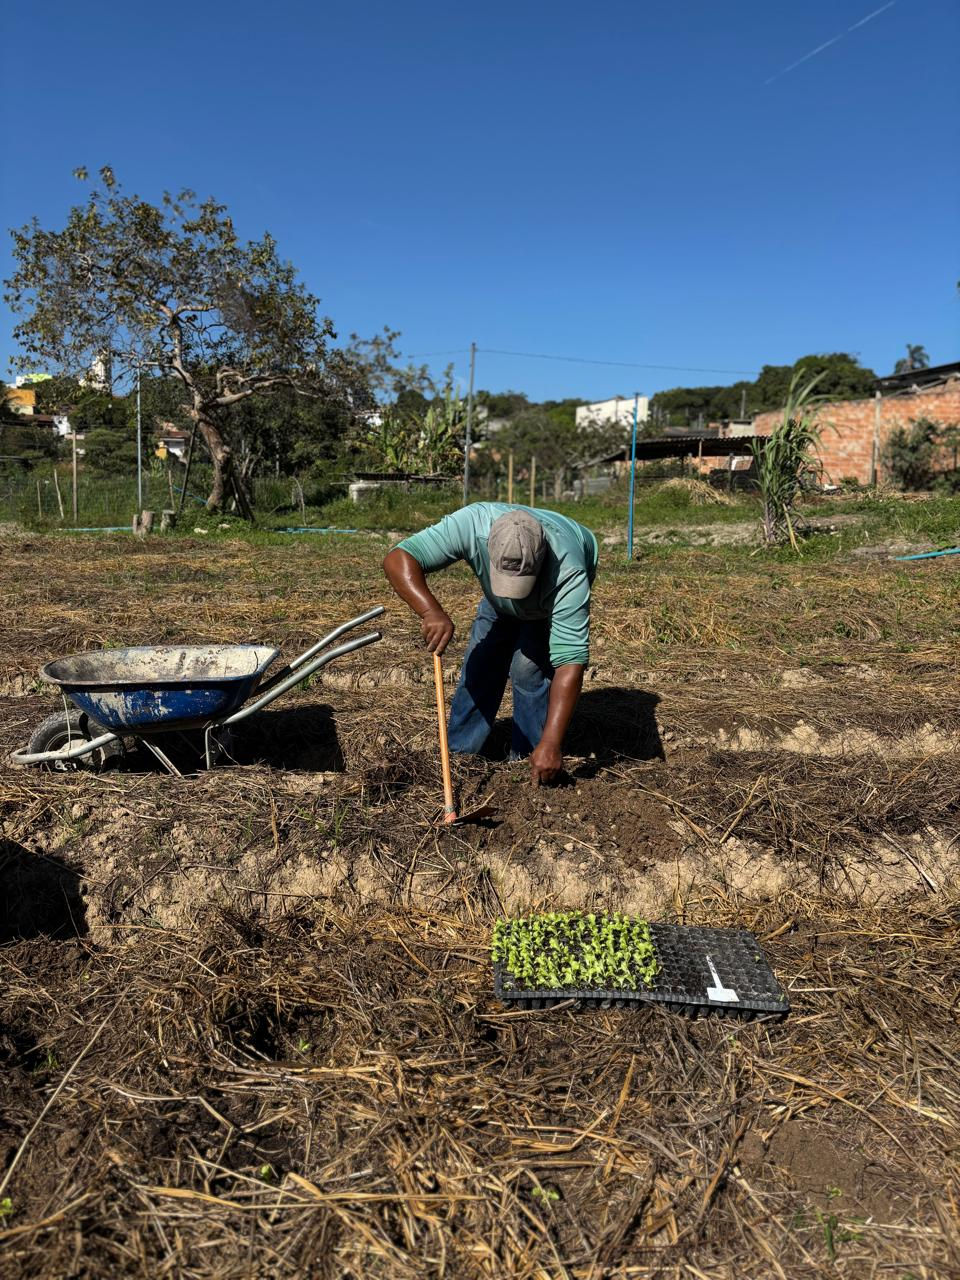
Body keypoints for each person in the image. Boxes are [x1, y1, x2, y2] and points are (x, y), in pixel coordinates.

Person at [383, 502, 598, 784]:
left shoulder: (569, 571)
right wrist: (430, 611)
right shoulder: (472, 525)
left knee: (528, 669)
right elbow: (398, 558)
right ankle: (460, 756)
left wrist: (553, 742)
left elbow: (570, 661)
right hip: (496, 601)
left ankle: (532, 758)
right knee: (481, 664)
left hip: (546, 600)